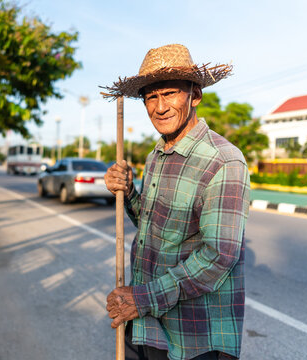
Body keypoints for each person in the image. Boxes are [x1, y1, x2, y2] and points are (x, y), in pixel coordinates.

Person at [103, 44, 250, 360]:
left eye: (170, 93)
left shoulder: (223, 161)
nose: (160, 107)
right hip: (147, 326)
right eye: (151, 97)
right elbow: (154, 226)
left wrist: (142, 299)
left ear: (194, 95)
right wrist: (127, 191)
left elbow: (218, 256)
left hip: (194, 337)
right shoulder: (155, 156)